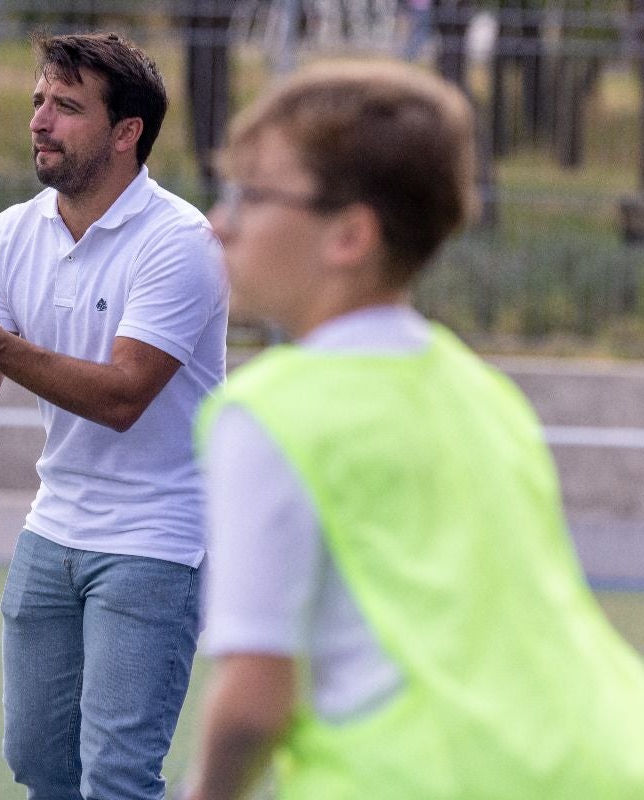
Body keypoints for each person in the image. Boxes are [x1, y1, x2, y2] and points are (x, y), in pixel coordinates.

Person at [180, 59, 644, 800]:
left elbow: (254, 700)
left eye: (252, 193)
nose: (220, 219)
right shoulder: (485, 393)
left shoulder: (267, 412)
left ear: (349, 235)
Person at [0, 31, 229, 800]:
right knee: (39, 765)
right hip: (53, 532)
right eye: (39, 101)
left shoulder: (181, 243)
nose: (40, 120)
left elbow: (123, 397)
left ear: (126, 132)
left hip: (155, 543)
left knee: (117, 777)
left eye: (67, 107)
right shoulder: (9, 234)